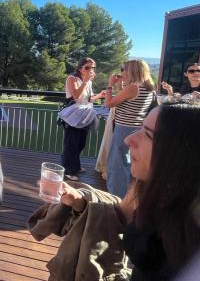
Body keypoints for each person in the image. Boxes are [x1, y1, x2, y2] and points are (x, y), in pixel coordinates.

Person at [58, 100, 200, 280]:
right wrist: (78, 200)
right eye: (140, 128)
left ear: (181, 152)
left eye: (148, 135)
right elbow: (120, 214)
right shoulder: (144, 186)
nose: (128, 139)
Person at [104, 59, 155, 198]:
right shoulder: (147, 86)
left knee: (117, 162)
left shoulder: (133, 87)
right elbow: (128, 99)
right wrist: (120, 85)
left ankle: (115, 197)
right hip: (136, 128)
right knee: (128, 162)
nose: (122, 72)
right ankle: (129, 195)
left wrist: (109, 86)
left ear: (132, 70)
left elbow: (108, 104)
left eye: (124, 69)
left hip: (124, 129)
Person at [61, 58, 106, 181]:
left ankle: (76, 166)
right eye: (87, 67)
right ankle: (68, 170)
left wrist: (100, 95)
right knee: (71, 144)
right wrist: (85, 81)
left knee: (81, 143)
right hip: (74, 116)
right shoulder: (72, 78)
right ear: (79, 68)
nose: (90, 70)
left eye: (93, 68)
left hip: (85, 115)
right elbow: (76, 96)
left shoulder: (88, 81)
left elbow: (89, 98)